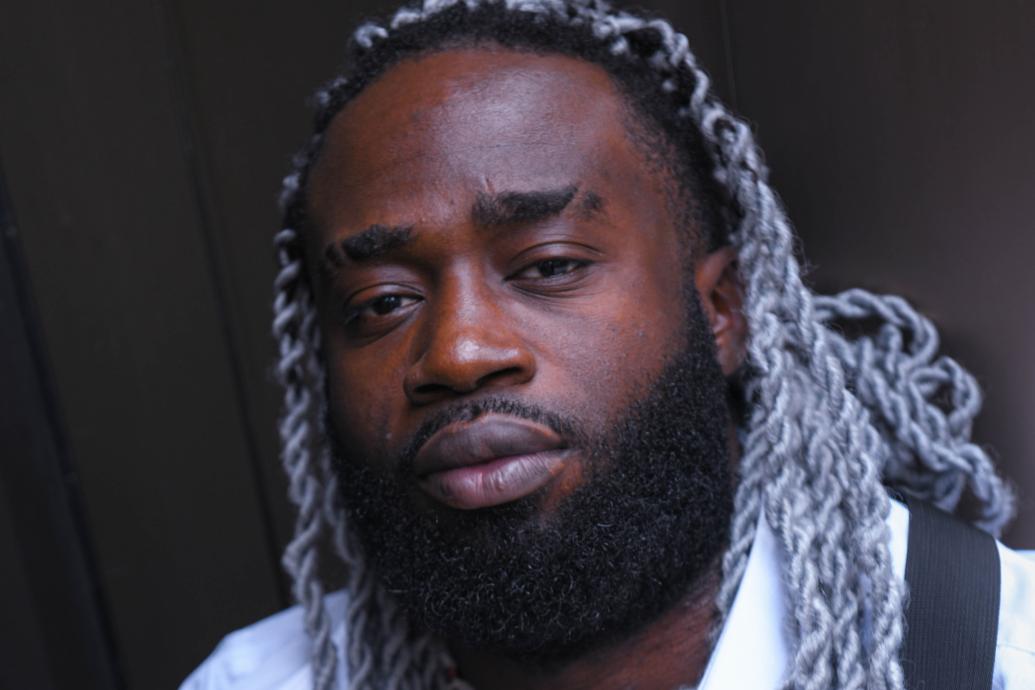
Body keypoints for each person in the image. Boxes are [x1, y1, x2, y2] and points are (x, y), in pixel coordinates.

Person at [181, 1, 1034, 688]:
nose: (457, 352)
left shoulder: (999, 657)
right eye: (381, 301)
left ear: (722, 313)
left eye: (548, 265)